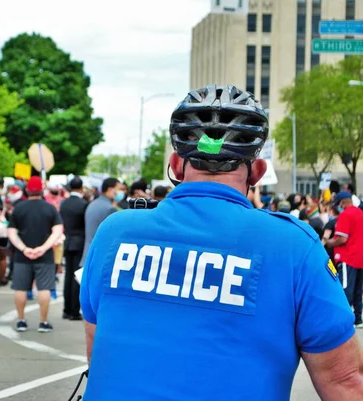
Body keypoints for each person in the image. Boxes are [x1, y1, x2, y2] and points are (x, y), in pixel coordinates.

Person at [80, 85, 363, 400]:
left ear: (175, 165)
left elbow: (99, 352)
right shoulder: (294, 245)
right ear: (257, 171)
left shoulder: (115, 233)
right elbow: (345, 381)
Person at [7, 176, 63, 333]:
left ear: (27, 190)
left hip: (22, 256)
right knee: (44, 288)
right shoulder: (50, 208)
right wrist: (44, 248)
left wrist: (24, 248)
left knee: (21, 288)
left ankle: (21, 320)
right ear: (42, 190)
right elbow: (57, 230)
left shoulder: (19, 208)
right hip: (44, 256)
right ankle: (43, 322)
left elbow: (11, 232)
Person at [326, 191, 363, 328]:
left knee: (346, 288)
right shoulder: (361, 213)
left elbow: (342, 238)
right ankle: (358, 318)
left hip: (348, 257)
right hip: (360, 257)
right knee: (358, 290)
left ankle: (345, 320)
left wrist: (330, 242)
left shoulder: (345, 215)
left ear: (342, 203)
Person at [79, 177, 123, 269]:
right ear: (111, 190)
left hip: (89, 254)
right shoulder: (109, 208)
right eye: (120, 189)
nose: (122, 192)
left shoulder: (93, 203)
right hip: (100, 258)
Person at [59, 176, 87, 320]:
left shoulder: (63, 203)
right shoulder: (84, 204)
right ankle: (74, 311)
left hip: (67, 240)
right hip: (79, 242)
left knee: (68, 276)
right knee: (77, 276)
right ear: (81, 187)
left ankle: (66, 309)